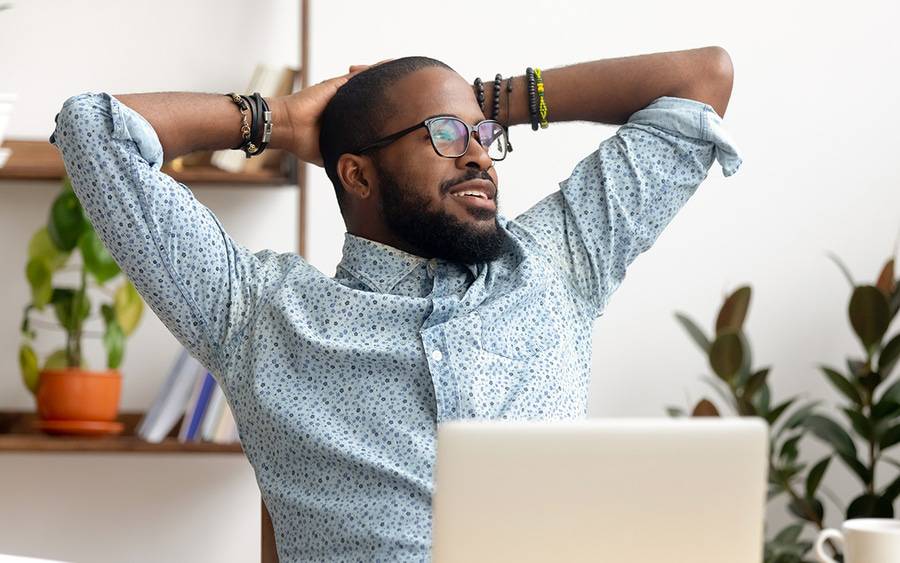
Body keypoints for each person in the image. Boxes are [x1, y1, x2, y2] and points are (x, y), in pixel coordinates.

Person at [49, 47, 743, 562]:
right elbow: (93, 130)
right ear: (356, 172)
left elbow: (700, 80)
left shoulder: (558, 262)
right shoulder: (259, 314)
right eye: (444, 134)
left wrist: (487, 102)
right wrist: (285, 118)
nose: (479, 157)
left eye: (483, 137)